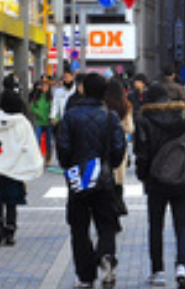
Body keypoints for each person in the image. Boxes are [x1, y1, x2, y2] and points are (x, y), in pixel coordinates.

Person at [55, 73, 126, 289]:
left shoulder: (71, 115)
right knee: (106, 223)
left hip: (78, 178)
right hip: (103, 179)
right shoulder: (110, 116)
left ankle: (85, 276)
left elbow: (63, 148)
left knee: (79, 227)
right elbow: (118, 148)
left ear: (83, 89)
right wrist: (109, 165)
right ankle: (106, 255)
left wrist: (70, 166)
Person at [134, 83, 185, 288]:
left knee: (156, 225)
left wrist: (143, 174)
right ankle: (182, 266)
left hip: (156, 180)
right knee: (182, 224)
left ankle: (158, 271)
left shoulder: (145, 120)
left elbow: (142, 152)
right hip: (182, 178)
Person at [0, 90, 42, 246]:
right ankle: (10, 231)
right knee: (11, 202)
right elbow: (29, 146)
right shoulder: (22, 123)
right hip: (14, 171)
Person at [104, 78, 134, 208]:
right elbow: (130, 128)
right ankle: (119, 202)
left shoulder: (103, 104)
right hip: (119, 143)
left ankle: (108, 203)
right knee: (119, 175)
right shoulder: (125, 105)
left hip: (104, 143)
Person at [29, 78, 54, 165]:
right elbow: (32, 107)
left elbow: (55, 109)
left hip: (48, 122)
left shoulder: (51, 97)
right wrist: (38, 112)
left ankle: (48, 159)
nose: (44, 87)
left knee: (48, 141)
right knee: (37, 140)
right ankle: (37, 159)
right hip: (39, 122)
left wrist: (54, 118)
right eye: (43, 85)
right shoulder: (36, 96)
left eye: (46, 85)